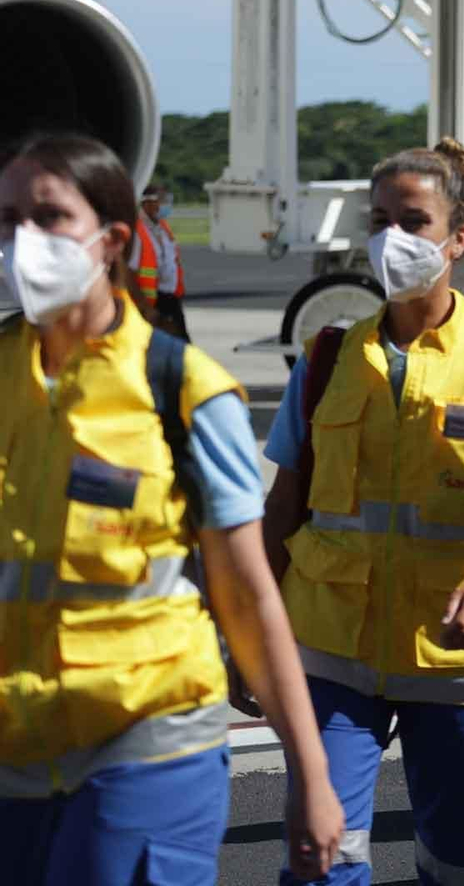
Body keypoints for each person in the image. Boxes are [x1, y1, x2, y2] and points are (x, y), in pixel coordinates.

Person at [0, 134, 343, 885]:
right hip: (14, 744)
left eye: (48, 217)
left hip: (147, 735)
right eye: (7, 219)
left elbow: (248, 596)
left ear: (112, 239)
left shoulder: (183, 388)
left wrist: (311, 775)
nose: (23, 239)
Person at [262, 139, 464, 886]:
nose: (391, 238)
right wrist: (248, 639)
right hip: (333, 649)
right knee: (321, 861)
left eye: (413, 221)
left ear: (458, 239)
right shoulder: (326, 359)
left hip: (458, 658)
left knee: (460, 869)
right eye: (379, 220)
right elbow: (283, 503)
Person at [136, 183, 188, 340]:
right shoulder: (137, 231)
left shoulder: (163, 228)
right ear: (147, 203)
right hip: (151, 301)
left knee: (181, 343)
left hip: (171, 298)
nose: (166, 205)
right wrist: (144, 306)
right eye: (162, 200)